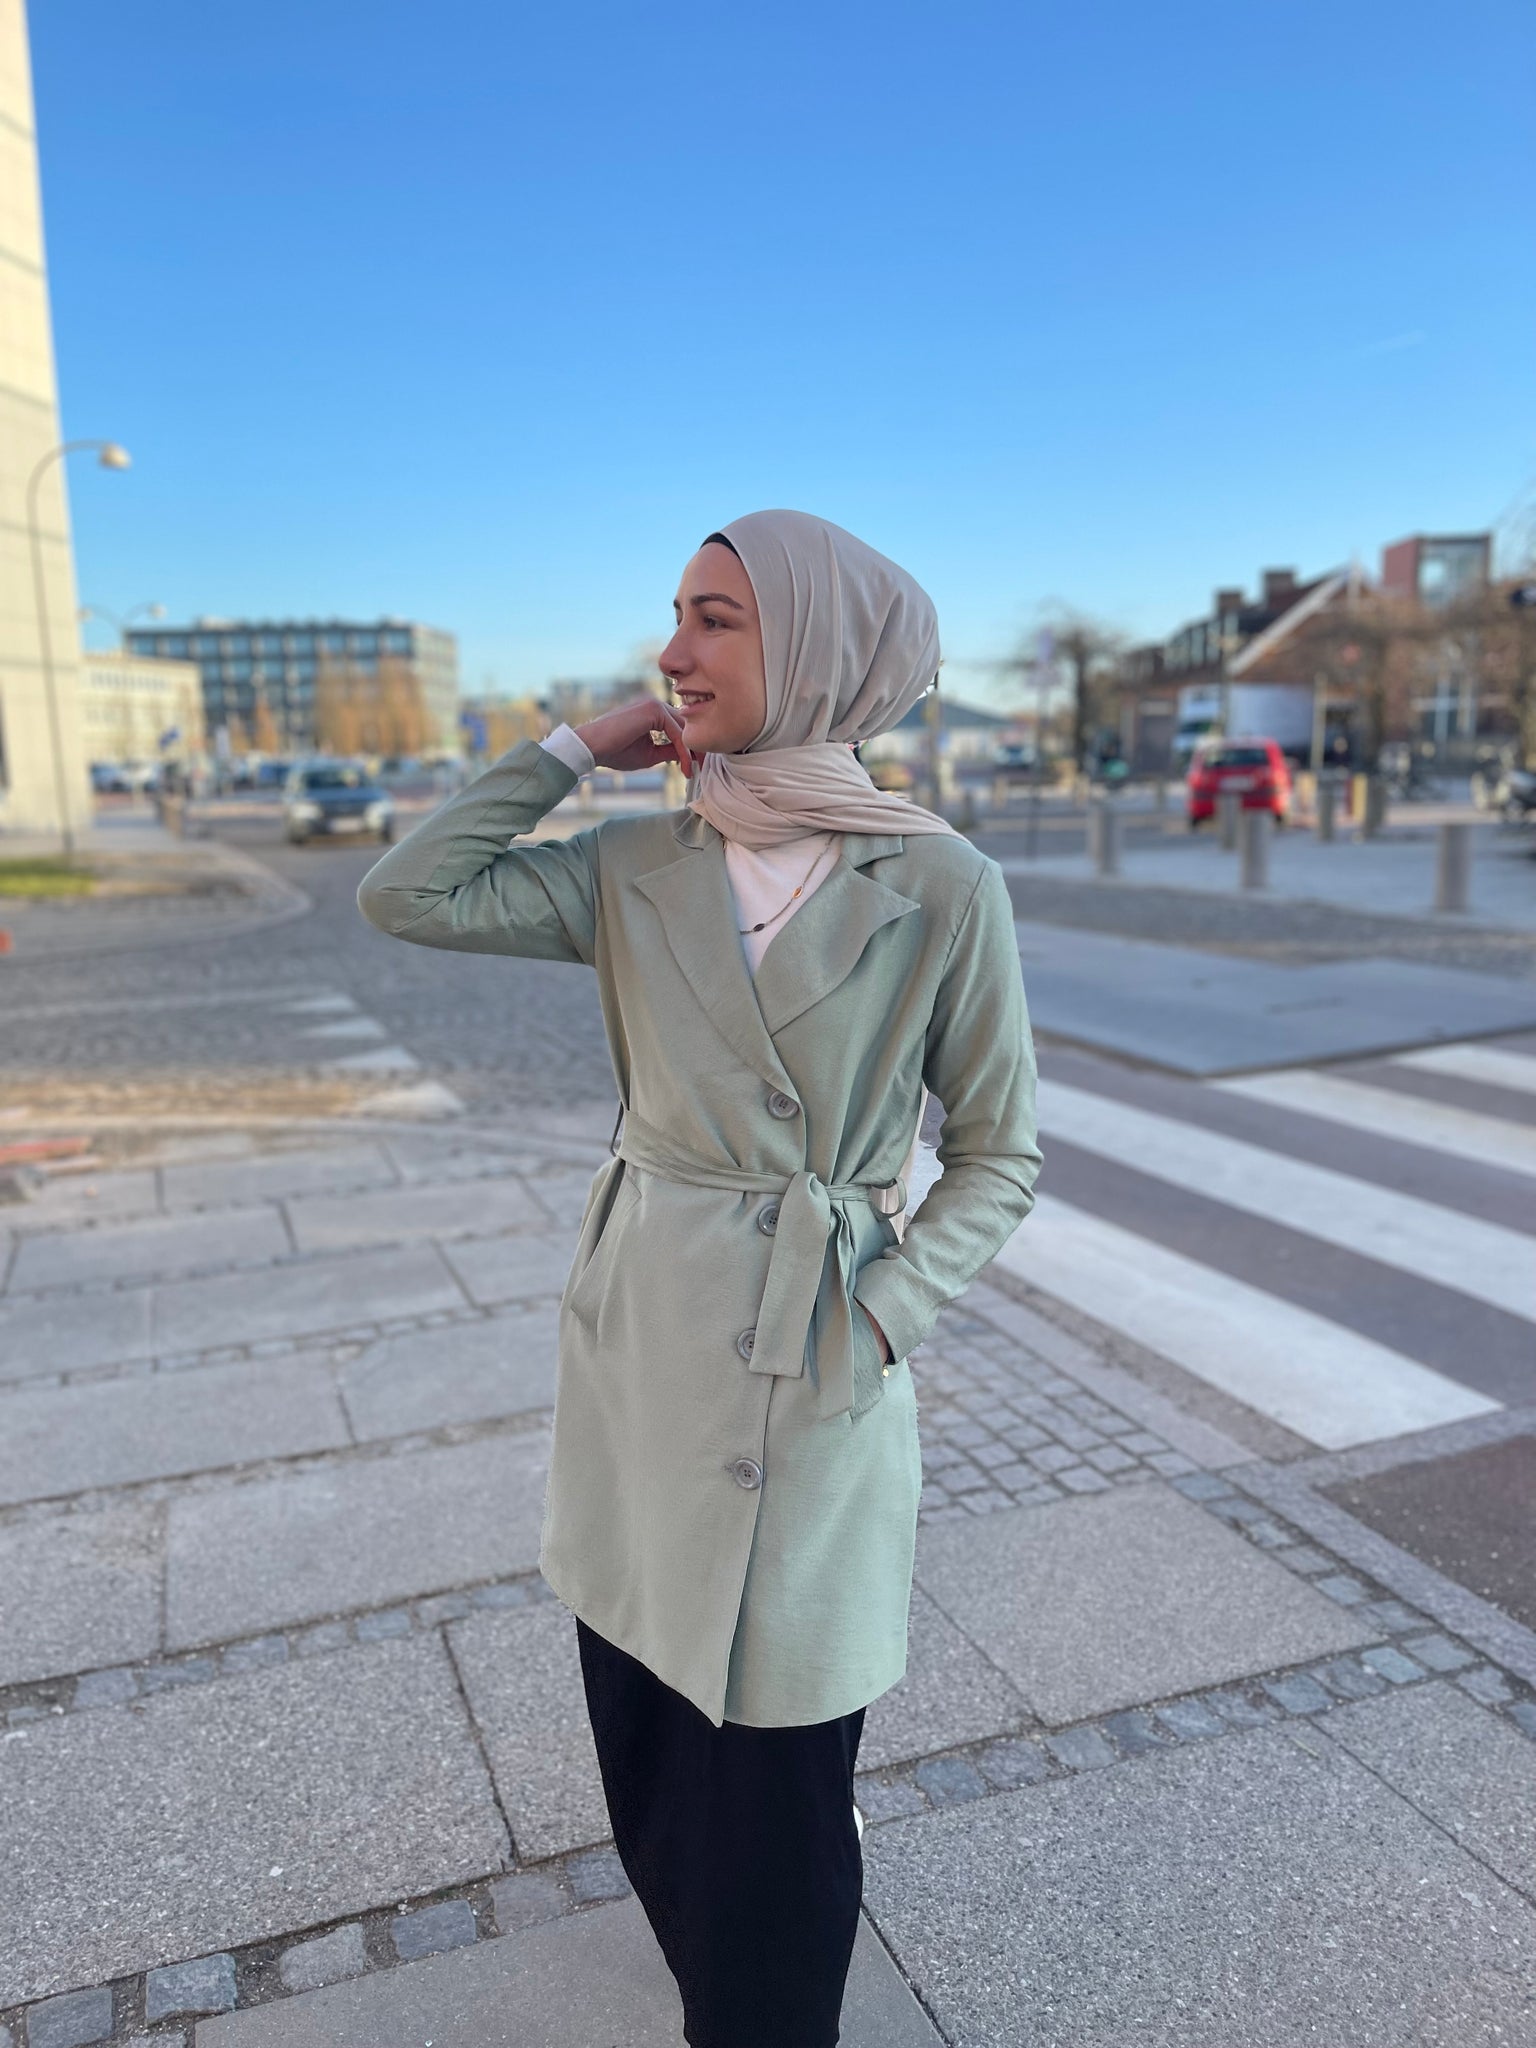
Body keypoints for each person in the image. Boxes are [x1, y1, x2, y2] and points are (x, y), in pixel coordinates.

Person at [357, 509, 1042, 2047]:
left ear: (822, 646)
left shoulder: (940, 885)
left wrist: (883, 1315)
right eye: (676, 613)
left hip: (815, 1345)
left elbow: (1001, 1152)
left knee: (782, 1764)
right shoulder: (635, 863)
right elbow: (408, 895)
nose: (672, 650)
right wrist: (566, 751)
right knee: (650, 1726)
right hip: (644, 1342)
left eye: (717, 617)